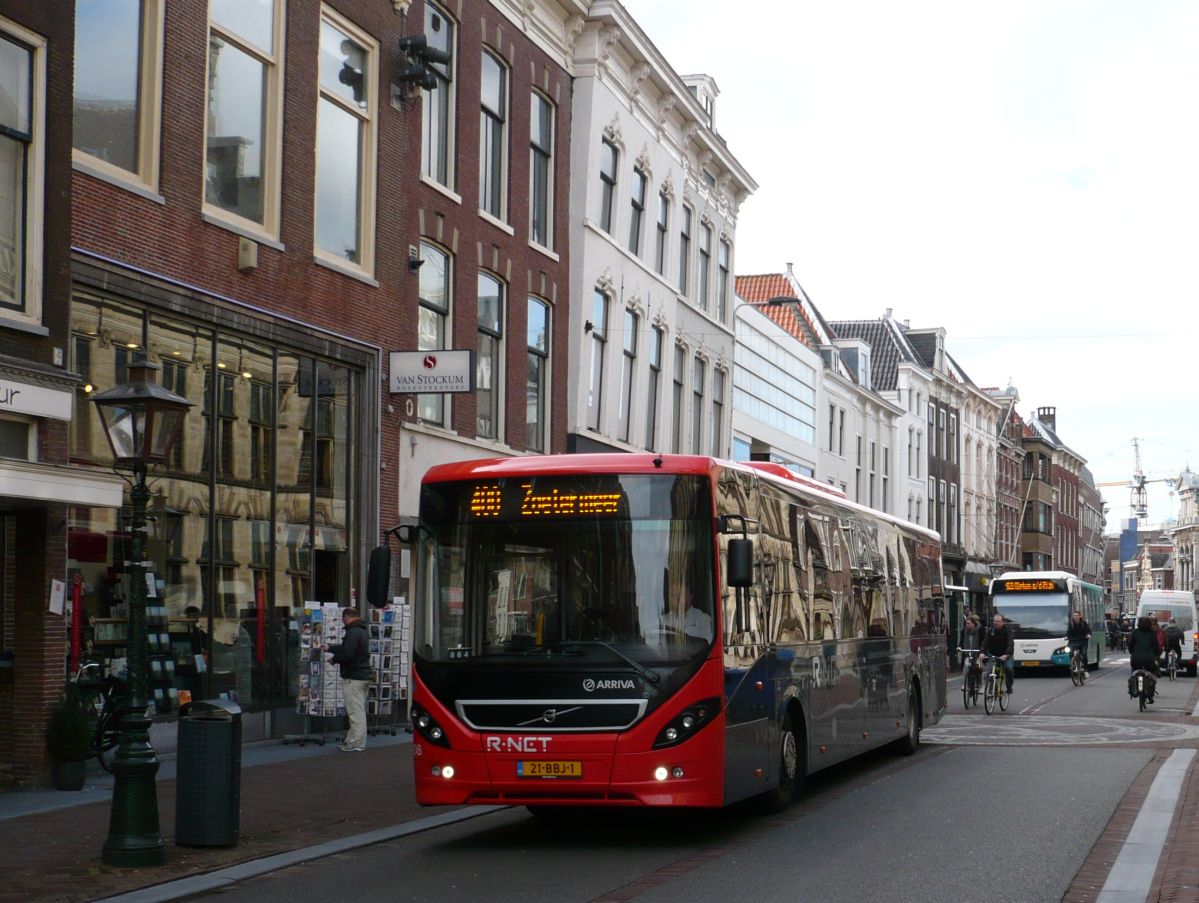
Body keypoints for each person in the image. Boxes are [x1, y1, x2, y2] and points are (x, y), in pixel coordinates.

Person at [321, 607, 372, 752]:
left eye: (344, 620)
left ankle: (356, 742)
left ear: (347, 617)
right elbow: (347, 648)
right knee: (358, 710)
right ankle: (352, 739)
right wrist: (330, 647)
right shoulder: (362, 630)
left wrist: (334, 659)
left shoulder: (352, 632)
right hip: (363, 675)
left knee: (355, 712)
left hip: (353, 677)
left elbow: (348, 653)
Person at [979, 612, 1015, 695]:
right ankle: (991, 690)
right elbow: (985, 643)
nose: (996, 623)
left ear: (1002, 622)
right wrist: (982, 652)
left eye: (998, 621)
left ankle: (1009, 686)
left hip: (1006, 655)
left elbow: (1010, 644)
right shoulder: (990, 631)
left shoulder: (1008, 631)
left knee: (1008, 668)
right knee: (990, 671)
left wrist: (1006, 654)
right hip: (993, 654)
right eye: (995, 621)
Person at [1127, 615, 1160, 703]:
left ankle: (1133, 686)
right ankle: (1150, 694)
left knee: (1134, 670)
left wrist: (1131, 652)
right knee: (1152, 674)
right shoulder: (1152, 633)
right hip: (1149, 659)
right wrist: (1156, 653)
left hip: (1136, 659)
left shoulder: (1135, 632)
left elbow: (1130, 644)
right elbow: (1156, 646)